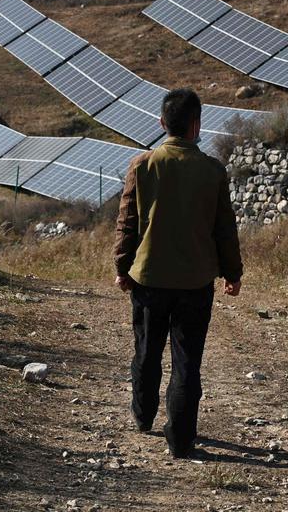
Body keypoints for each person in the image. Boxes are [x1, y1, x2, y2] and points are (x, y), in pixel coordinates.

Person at [113, 88, 243, 458]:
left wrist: (122, 267)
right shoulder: (213, 171)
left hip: (149, 279)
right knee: (187, 362)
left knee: (147, 352)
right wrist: (232, 272)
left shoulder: (142, 166)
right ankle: (182, 440)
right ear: (196, 125)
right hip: (195, 283)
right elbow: (224, 230)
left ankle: (143, 415)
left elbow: (127, 224)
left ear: (161, 123)